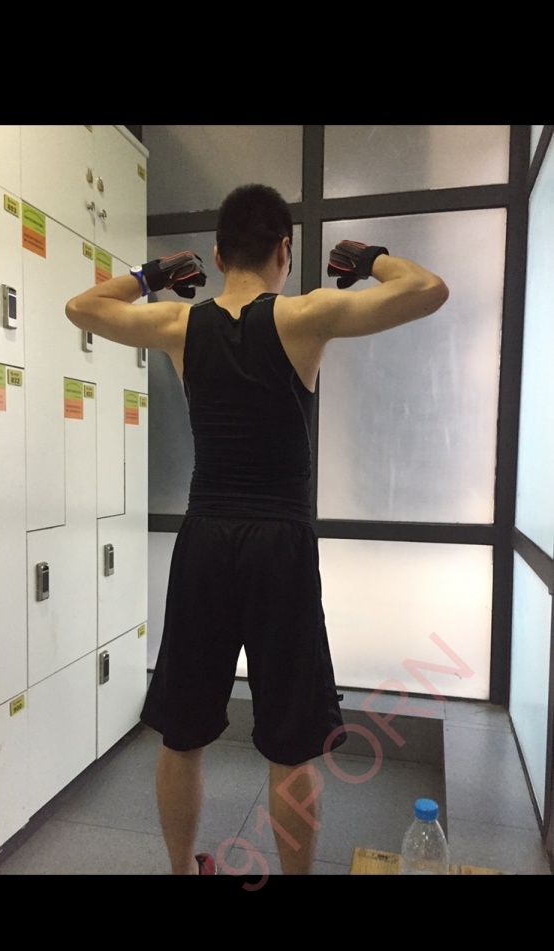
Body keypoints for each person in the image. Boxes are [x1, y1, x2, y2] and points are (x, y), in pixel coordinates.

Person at [65, 183, 449, 876]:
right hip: (280, 547)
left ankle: (184, 872)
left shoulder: (180, 323)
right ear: (284, 250)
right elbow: (427, 290)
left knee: (181, 736)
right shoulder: (307, 314)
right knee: (289, 747)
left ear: (215, 256)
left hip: (205, 540)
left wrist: (151, 276)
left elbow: (81, 308)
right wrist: (371, 259)